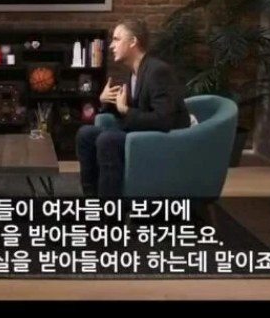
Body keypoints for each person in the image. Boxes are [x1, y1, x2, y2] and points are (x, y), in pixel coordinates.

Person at [75, 17, 190, 200]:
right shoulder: (133, 72)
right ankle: (92, 196)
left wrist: (125, 110)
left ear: (133, 42)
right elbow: (129, 110)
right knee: (85, 134)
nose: (111, 46)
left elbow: (163, 119)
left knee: (108, 139)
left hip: (164, 139)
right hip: (142, 131)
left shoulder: (157, 71)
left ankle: (110, 210)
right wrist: (106, 101)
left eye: (116, 39)